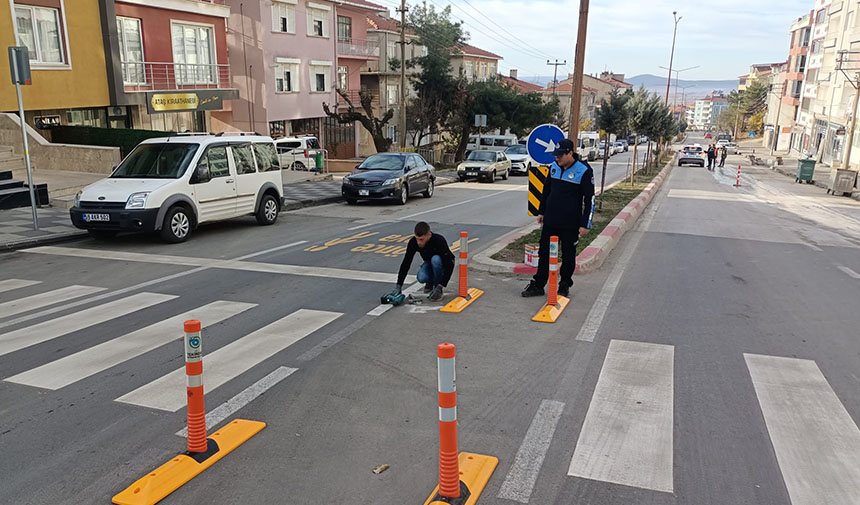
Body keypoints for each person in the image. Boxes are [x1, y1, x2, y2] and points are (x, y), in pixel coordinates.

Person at [522, 139, 595, 299]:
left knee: (568, 255)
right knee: (544, 253)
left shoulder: (584, 171)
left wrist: (585, 224)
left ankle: (564, 284)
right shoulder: (554, 167)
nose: (557, 158)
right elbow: (546, 190)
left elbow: (590, 199)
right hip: (550, 220)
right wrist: (541, 211)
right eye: (555, 155)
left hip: (570, 223)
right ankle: (539, 284)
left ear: (570, 153)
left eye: (560, 155)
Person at [395, 221, 455, 301]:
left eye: (421, 239)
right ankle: (430, 281)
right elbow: (406, 263)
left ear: (429, 235)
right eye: (417, 239)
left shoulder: (439, 240)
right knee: (421, 277)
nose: (419, 242)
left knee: (436, 259)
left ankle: (437, 288)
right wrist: (399, 286)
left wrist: (441, 285)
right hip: (429, 262)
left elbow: (449, 264)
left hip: (444, 263)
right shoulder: (413, 242)